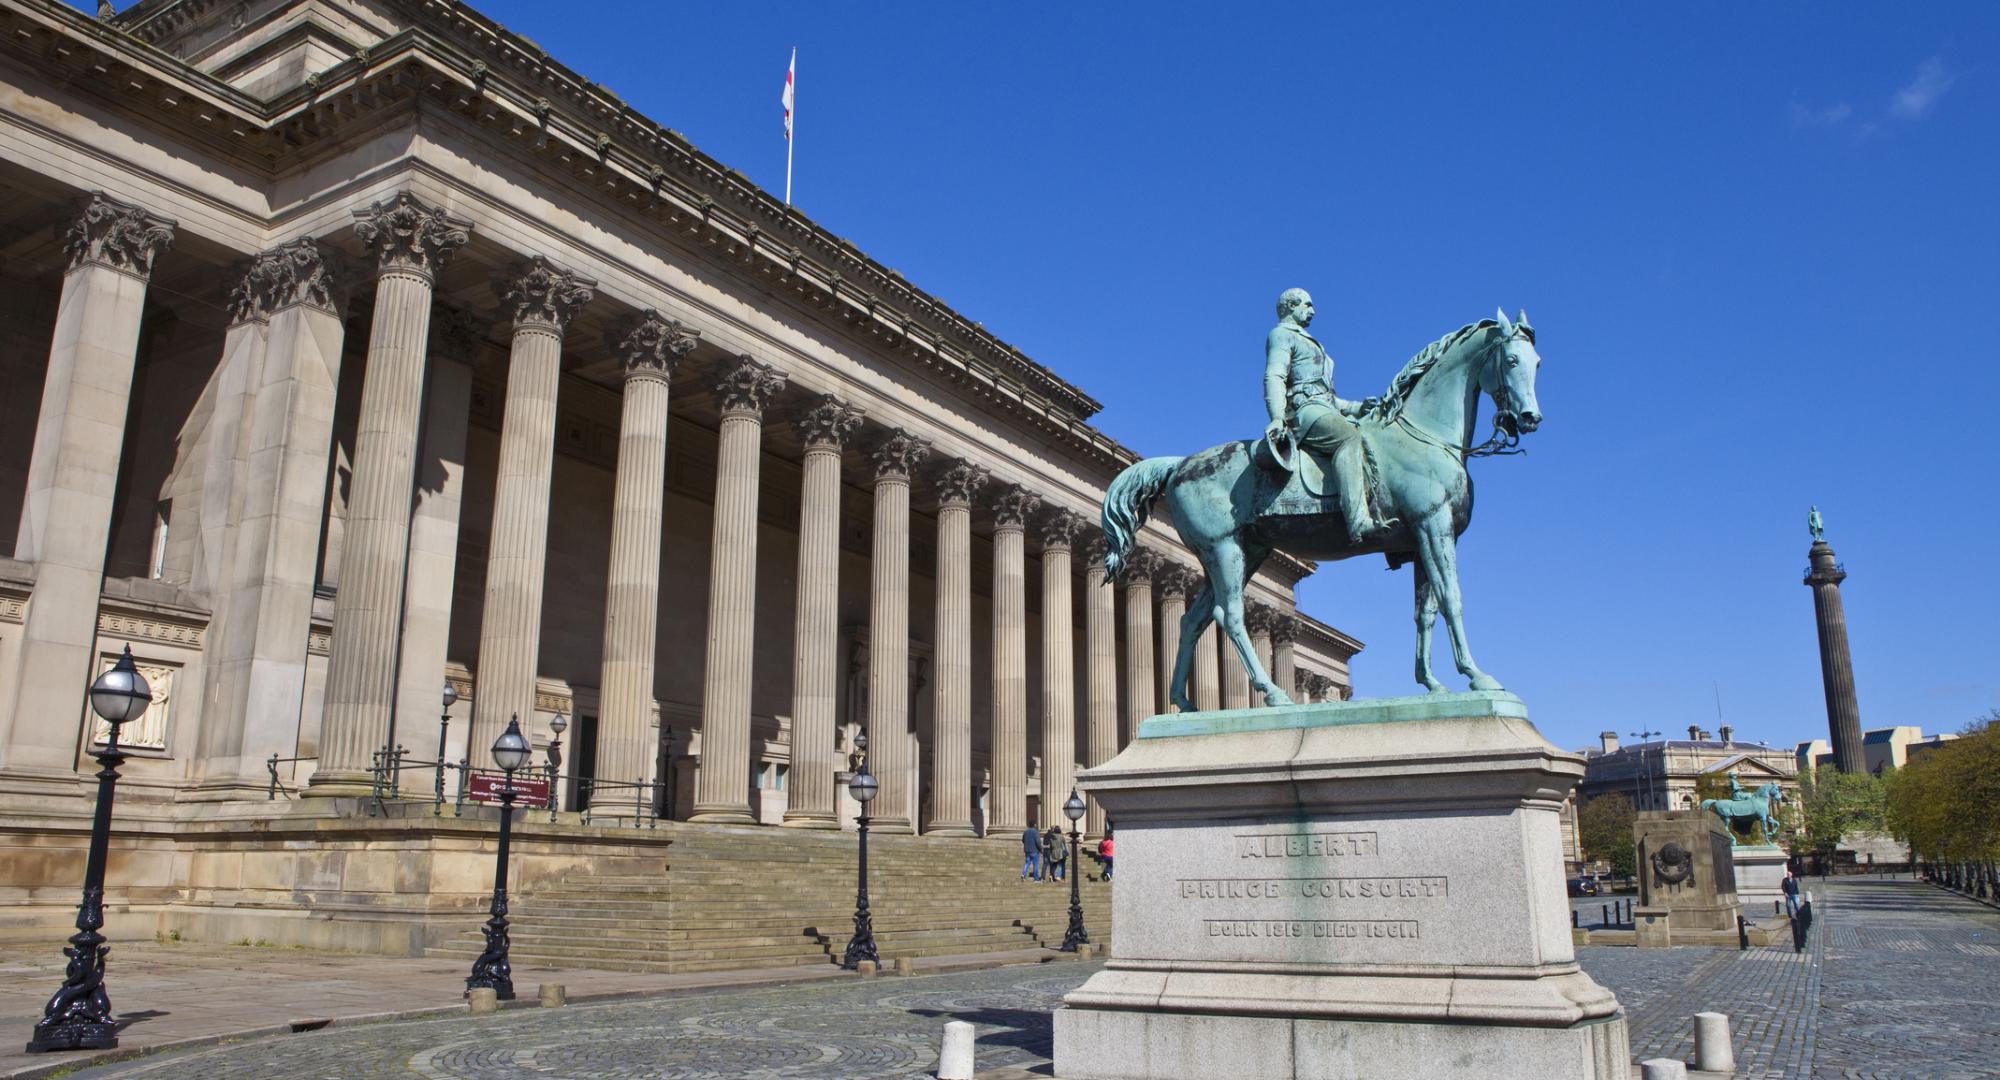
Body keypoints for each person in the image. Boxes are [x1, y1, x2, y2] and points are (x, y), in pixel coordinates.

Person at [1262, 288, 1395, 545]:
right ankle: (1358, 521)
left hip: (1323, 408)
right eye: (1307, 305)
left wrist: (1358, 408)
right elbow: (1275, 376)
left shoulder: (1310, 341)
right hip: (1304, 412)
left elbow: (1330, 398)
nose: (1313, 311)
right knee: (1348, 438)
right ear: (1290, 306)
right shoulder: (1281, 334)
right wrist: (1277, 417)